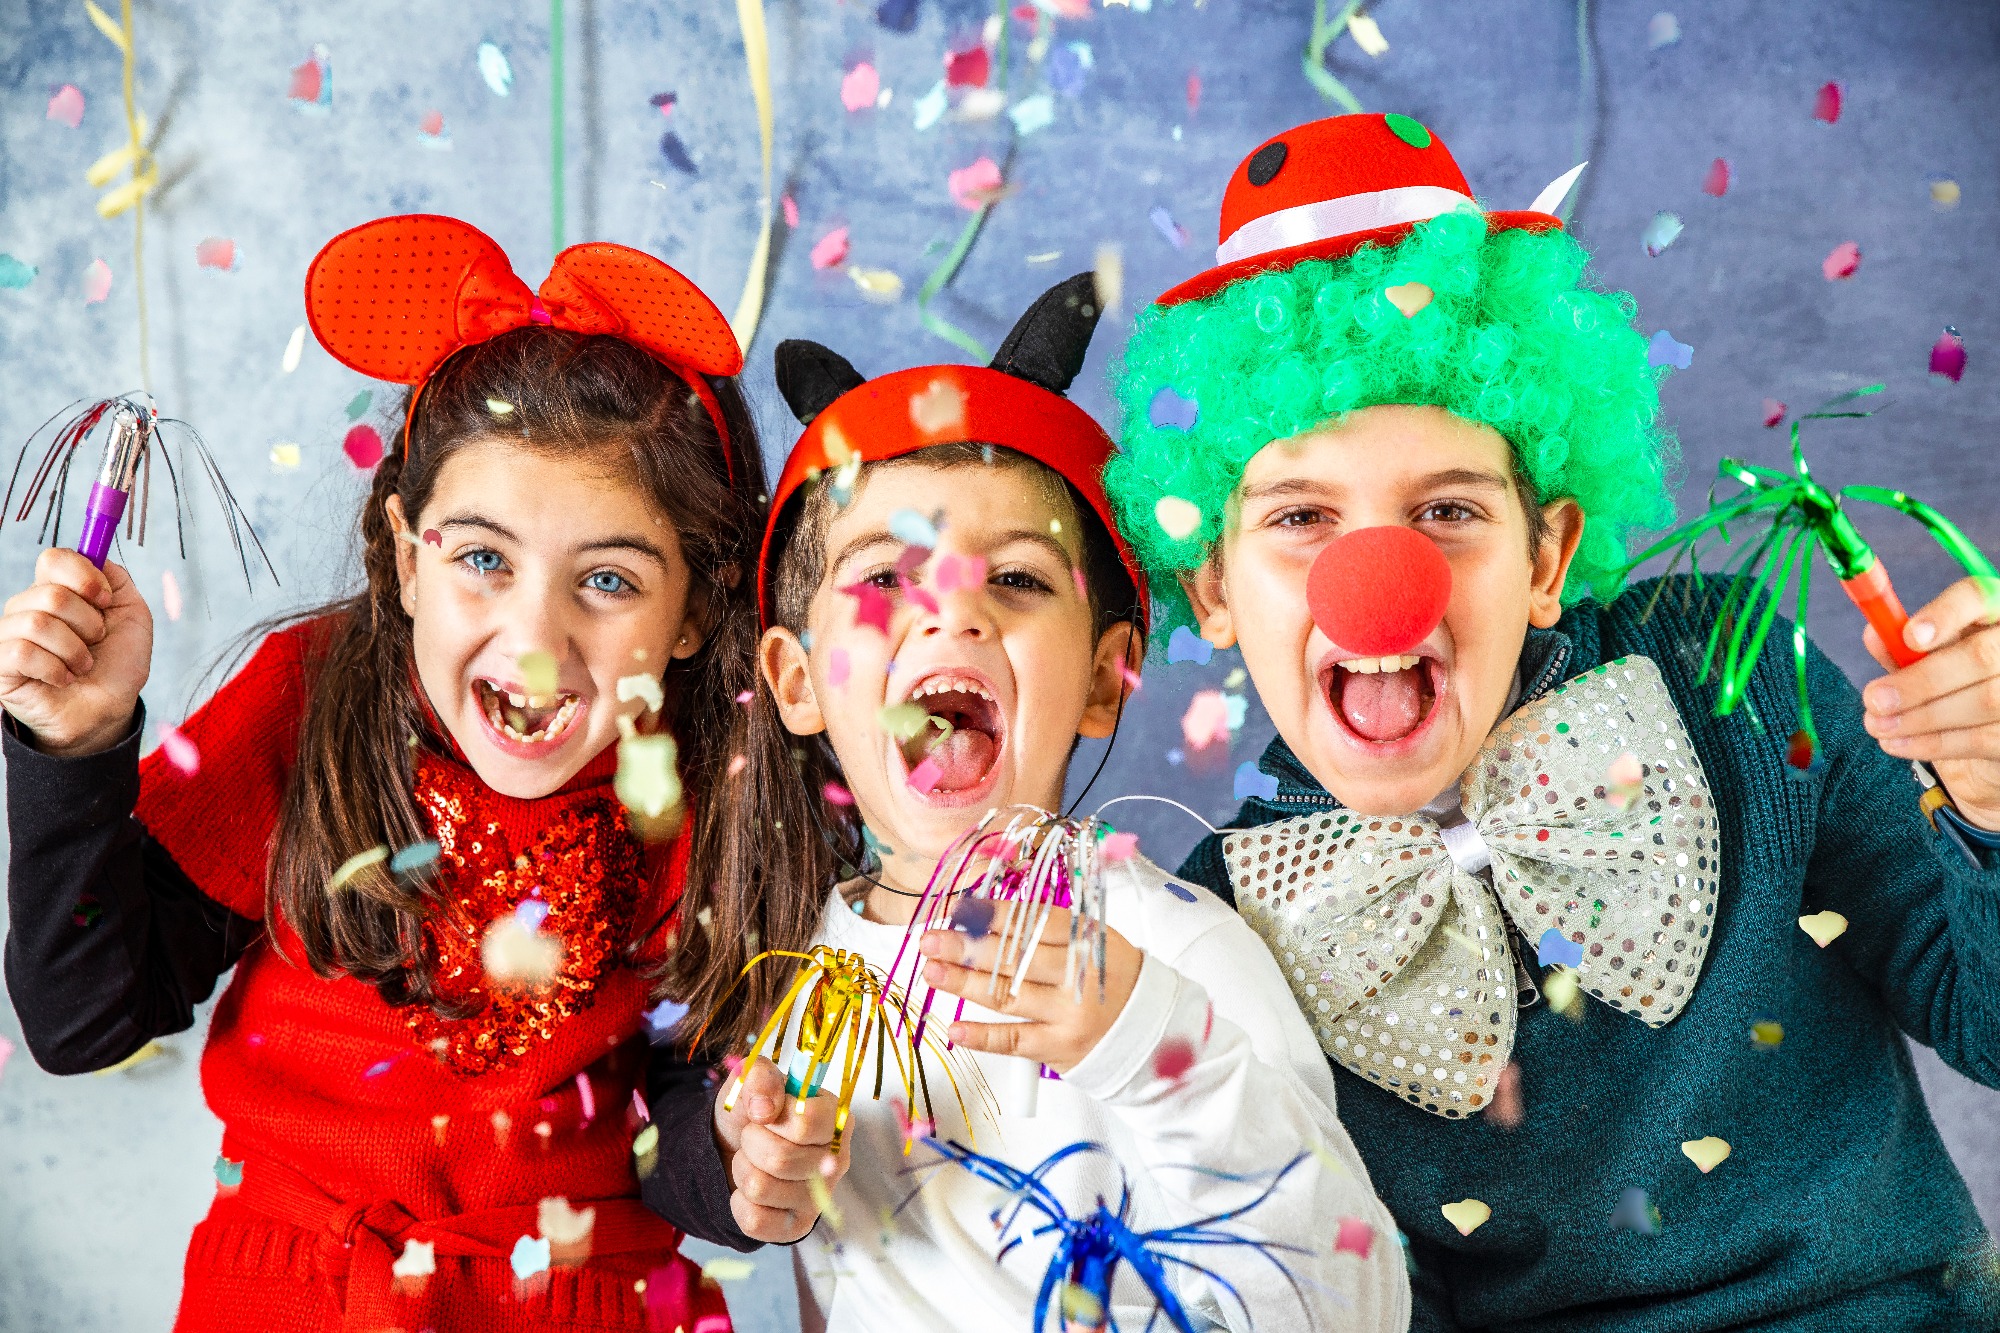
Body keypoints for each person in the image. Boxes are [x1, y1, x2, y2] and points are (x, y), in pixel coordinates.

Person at [1100, 112, 2000, 1331]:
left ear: (1548, 553)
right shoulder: (1220, 926)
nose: (1377, 581)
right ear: (1208, 585)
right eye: (1300, 519)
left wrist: (1990, 810)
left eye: (1449, 511)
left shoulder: (1731, 676)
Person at [1, 215, 844, 1333]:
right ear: (406, 556)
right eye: (482, 559)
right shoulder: (311, 702)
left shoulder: (710, 785)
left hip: (585, 1303)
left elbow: (671, 1126)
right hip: (290, 1291)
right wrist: (75, 750)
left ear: (693, 611)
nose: (534, 639)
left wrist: (743, 1165)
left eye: (606, 580)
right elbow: (83, 1019)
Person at [742, 274, 1409, 1332]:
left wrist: (1148, 1038)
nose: (950, 611)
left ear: (1105, 679)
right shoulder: (805, 977)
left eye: (1013, 580)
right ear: (796, 680)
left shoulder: (1172, 947)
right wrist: (775, 1193)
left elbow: (1352, 1301)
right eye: (881, 580)